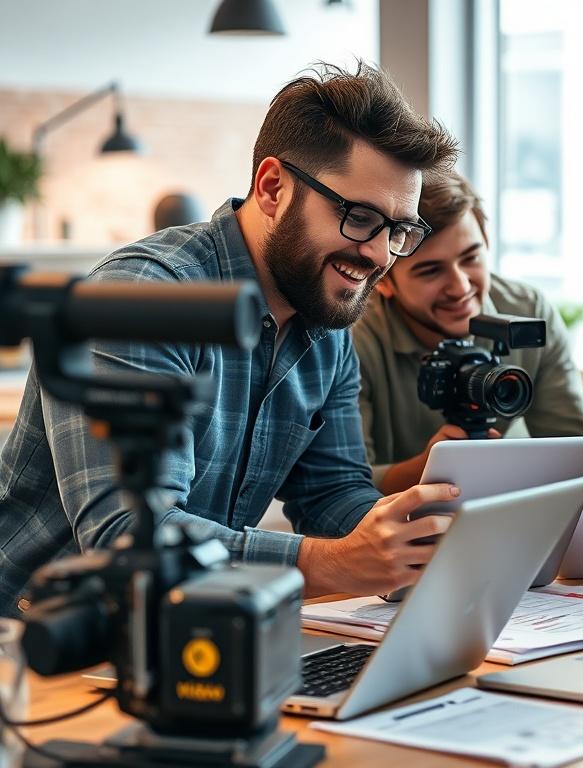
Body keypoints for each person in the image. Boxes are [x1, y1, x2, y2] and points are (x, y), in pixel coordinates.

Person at [0, 63, 462, 616]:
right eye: (360, 217)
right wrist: (331, 563)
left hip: (191, 629)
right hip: (38, 642)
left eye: (399, 230)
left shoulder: (324, 318)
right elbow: (127, 536)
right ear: (273, 188)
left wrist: (415, 546)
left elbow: (332, 495)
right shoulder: (145, 296)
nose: (379, 254)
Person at [352, 171, 583, 494]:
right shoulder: (351, 338)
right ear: (382, 280)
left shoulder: (528, 311)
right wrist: (434, 466)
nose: (461, 287)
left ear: (488, 243)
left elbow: (580, 457)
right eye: (430, 270)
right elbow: (342, 489)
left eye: (472, 258)